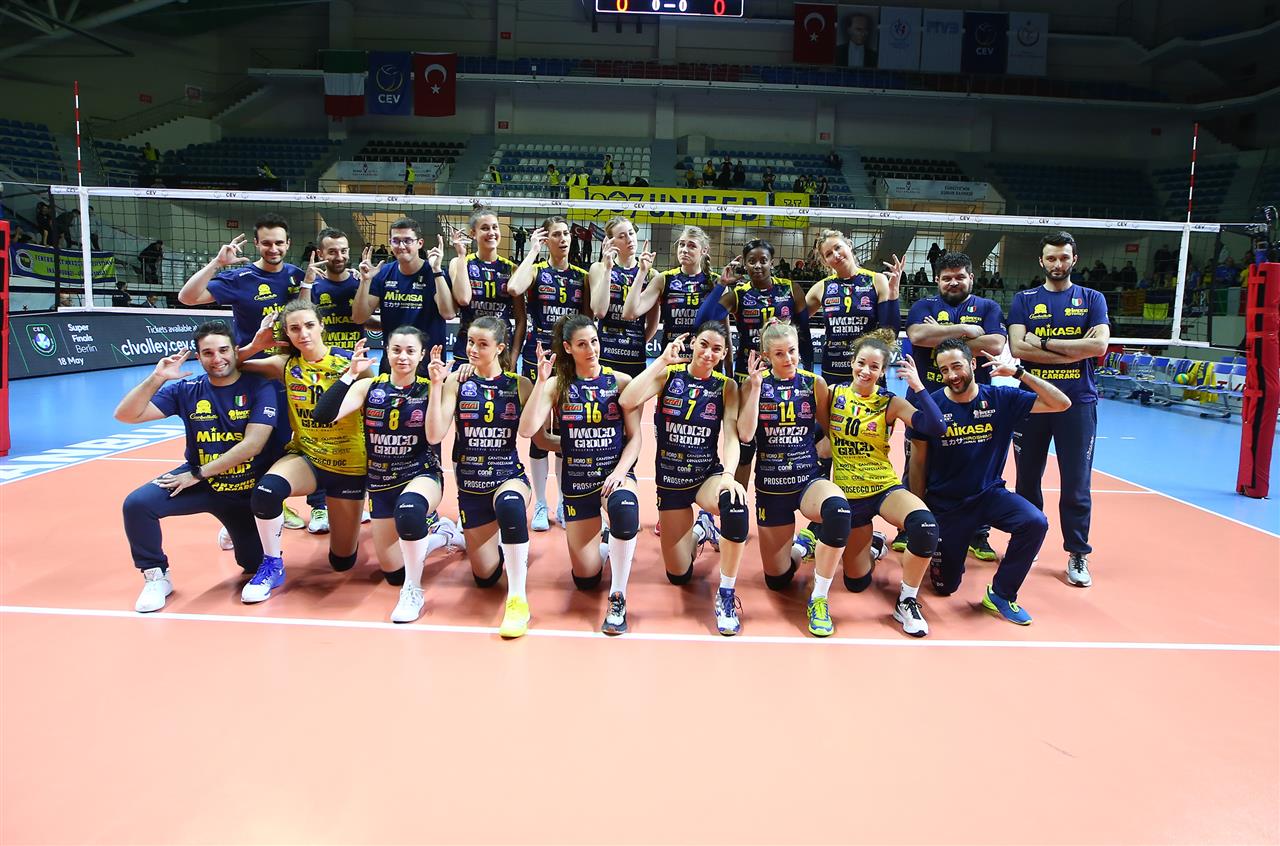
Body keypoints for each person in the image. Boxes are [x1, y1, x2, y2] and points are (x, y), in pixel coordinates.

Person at [114, 321, 281, 612]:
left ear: (235, 351)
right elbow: (126, 415)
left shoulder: (259, 386)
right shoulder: (187, 390)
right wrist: (157, 377)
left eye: (223, 350)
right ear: (199, 357)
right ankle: (156, 576)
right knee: (138, 505)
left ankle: (233, 528)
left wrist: (198, 474)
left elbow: (253, 445)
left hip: (243, 489)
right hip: (202, 483)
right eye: (208, 353)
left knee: (252, 564)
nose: (217, 359)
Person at [908, 339, 1070, 625]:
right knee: (944, 587)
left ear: (972, 364)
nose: (952, 375)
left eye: (957, 366)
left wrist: (1019, 373)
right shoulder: (931, 405)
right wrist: (920, 510)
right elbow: (918, 462)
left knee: (1034, 522)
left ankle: (1001, 593)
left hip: (989, 495)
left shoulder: (1000, 399)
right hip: (947, 505)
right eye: (944, 370)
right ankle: (948, 550)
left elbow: (1061, 403)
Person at [311, 331, 464, 622]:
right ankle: (443, 535)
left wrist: (435, 386)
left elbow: (434, 436)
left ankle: (413, 590)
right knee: (393, 571)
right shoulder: (369, 386)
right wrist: (349, 375)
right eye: (396, 350)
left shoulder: (431, 387)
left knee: (409, 510)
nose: (402, 357)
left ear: (422, 355)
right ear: (386, 351)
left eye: (410, 351)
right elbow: (322, 416)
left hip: (421, 475)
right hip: (381, 482)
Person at [178, 215, 309, 529]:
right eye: (267, 243)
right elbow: (187, 298)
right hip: (250, 373)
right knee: (249, 444)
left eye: (279, 243)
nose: (273, 249)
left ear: (288, 244)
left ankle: (274, 502)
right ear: (257, 244)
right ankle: (241, 511)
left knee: (284, 441)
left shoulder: (297, 276)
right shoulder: (240, 277)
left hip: (286, 374)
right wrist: (217, 263)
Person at [234, 300, 370, 602]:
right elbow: (230, 364)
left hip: (349, 465)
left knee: (342, 562)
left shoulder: (352, 363)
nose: (303, 333)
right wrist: (256, 345)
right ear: (287, 333)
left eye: (309, 325)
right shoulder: (284, 364)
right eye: (294, 328)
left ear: (321, 325)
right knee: (267, 492)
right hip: (308, 457)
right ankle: (272, 564)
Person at [619, 324, 751, 635]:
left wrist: (729, 475)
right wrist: (661, 361)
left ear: (724, 354)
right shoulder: (669, 375)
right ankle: (701, 530)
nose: (708, 353)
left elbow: (732, 436)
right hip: (671, 480)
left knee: (735, 504)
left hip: (706, 476)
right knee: (678, 574)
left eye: (717, 349)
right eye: (704, 344)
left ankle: (726, 593)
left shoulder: (726, 386)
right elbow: (627, 400)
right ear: (692, 344)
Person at [520, 315, 642, 635]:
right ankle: (609, 545)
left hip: (613, 475)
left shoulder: (620, 382)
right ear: (568, 348)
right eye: (582, 344)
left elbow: (635, 439)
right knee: (585, 580)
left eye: (594, 342)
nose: (591, 350)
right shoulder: (557, 385)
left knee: (625, 509)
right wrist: (541, 381)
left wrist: (620, 472)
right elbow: (529, 432)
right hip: (577, 482)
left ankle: (618, 597)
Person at [823, 329, 945, 636]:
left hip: (884, 487)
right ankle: (873, 545)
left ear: (882, 371)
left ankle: (907, 600)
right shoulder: (832, 394)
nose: (866, 371)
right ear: (852, 362)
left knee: (925, 526)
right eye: (861, 363)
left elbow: (936, 426)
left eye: (874, 367)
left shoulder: (889, 402)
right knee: (856, 583)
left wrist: (918, 387)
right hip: (850, 495)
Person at [425, 318, 542, 637]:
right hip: (471, 487)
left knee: (510, 505)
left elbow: (531, 433)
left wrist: (542, 383)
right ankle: (471, 537)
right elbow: (434, 435)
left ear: (500, 348)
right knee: (485, 577)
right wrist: (435, 385)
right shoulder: (457, 381)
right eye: (470, 342)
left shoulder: (519, 384)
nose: (473, 349)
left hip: (508, 476)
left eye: (482, 344)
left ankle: (518, 599)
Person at [1007, 231, 1110, 587]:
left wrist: (1045, 342)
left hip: (1077, 403)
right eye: (1051, 257)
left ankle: (1077, 553)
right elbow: (1018, 349)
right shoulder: (1024, 300)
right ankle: (1027, 541)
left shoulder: (1092, 298)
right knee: (1026, 480)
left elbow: (1098, 347)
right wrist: (1073, 350)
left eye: (1064, 257)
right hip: (1031, 404)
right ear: (1041, 261)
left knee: (1076, 484)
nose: (1057, 263)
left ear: (1074, 259)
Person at [737, 321, 851, 637]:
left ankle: (819, 598)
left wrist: (821, 455)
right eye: (779, 354)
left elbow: (830, 433)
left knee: (838, 511)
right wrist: (755, 388)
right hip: (771, 487)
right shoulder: (753, 385)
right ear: (765, 356)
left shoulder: (814, 383)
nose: (788, 358)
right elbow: (745, 435)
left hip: (807, 481)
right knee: (777, 580)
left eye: (792, 351)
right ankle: (802, 547)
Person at [901, 251, 1006, 560]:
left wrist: (942, 336)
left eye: (960, 276)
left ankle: (978, 533)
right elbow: (917, 336)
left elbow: (995, 344)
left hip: (975, 405)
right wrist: (968, 330)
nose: (953, 282)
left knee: (975, 469)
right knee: (916, 465)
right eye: (947, 278)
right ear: (937, 280)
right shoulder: (923, 305)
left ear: (971, 277)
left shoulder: (988, 307)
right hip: (926, 400)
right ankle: (912, 525)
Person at [507, 216, 592, 531]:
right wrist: (532, 251)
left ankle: (563, 501)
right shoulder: (537, 271)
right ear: (547, 240)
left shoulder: (582, 276)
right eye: (556, 234)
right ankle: (541, 503)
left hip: (569, 362)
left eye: (566, 233)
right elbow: (514, 287)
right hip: (538, 357)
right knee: (540, 433)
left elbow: (589, 316)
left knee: (566, 430)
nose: (563, 239)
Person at [714, 239, 807, 486]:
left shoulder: (790, 289)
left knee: (780, 443)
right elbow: (707, 317)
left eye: (763, 260)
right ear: (744, 265)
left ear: (771, 263)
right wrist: (722, 285)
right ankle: (738, 501)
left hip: (784, 376)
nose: (757, 265)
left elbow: (805, 334)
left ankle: (782, 496)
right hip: (748, 375)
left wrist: (805, 370)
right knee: (745, 446)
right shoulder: (739, 294)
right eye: (751, 261)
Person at [353, 217, 455, 374]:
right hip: (393, 364)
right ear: (390, 243)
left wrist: (436, 270)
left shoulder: (435, 273)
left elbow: (448, 314)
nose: (401, 246)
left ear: (419, 243)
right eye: (396, 241)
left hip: (429, 365)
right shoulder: (383, 274)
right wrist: (365, 281)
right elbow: (359, 318)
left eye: (407, 241)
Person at [448, 205, 523, 371]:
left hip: (500, 350)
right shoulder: (460, 262)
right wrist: (461, 256)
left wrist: (514, 356)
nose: (491, 232)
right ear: (473, 233)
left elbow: (521, 319)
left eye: (495, 227)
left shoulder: (512, 269)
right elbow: (463, 299)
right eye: (485, 228)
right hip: (468, 350)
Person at [623, 225, 718, 350]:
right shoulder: (664, 279)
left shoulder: (716, 282)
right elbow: (629, 314)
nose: (684, 250)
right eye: (681, 244)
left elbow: (724, 330)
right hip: (671, 357)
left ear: (704, 250)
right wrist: (642, 272)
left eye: (691, 246)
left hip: (704, 357)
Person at [588, 216, 658, 378]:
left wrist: (638, 343)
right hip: (605, 354)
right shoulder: (598, 268)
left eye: (631, 233)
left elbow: (653, 323)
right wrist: (608, 269)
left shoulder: (651, 274)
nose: (629, 239)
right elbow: (599, 311)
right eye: (621, 236)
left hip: (635, 356)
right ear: (610, 242)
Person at [300, 227, 369, 356]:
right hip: (323, 361)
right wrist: (307, 282)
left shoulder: (360, 282)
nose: (339, 257)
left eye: (343, 251)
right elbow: (301, 319)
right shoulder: (312, 285)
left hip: (355, 360)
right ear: (320, 254)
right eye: (332, 252)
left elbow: (365, 319)